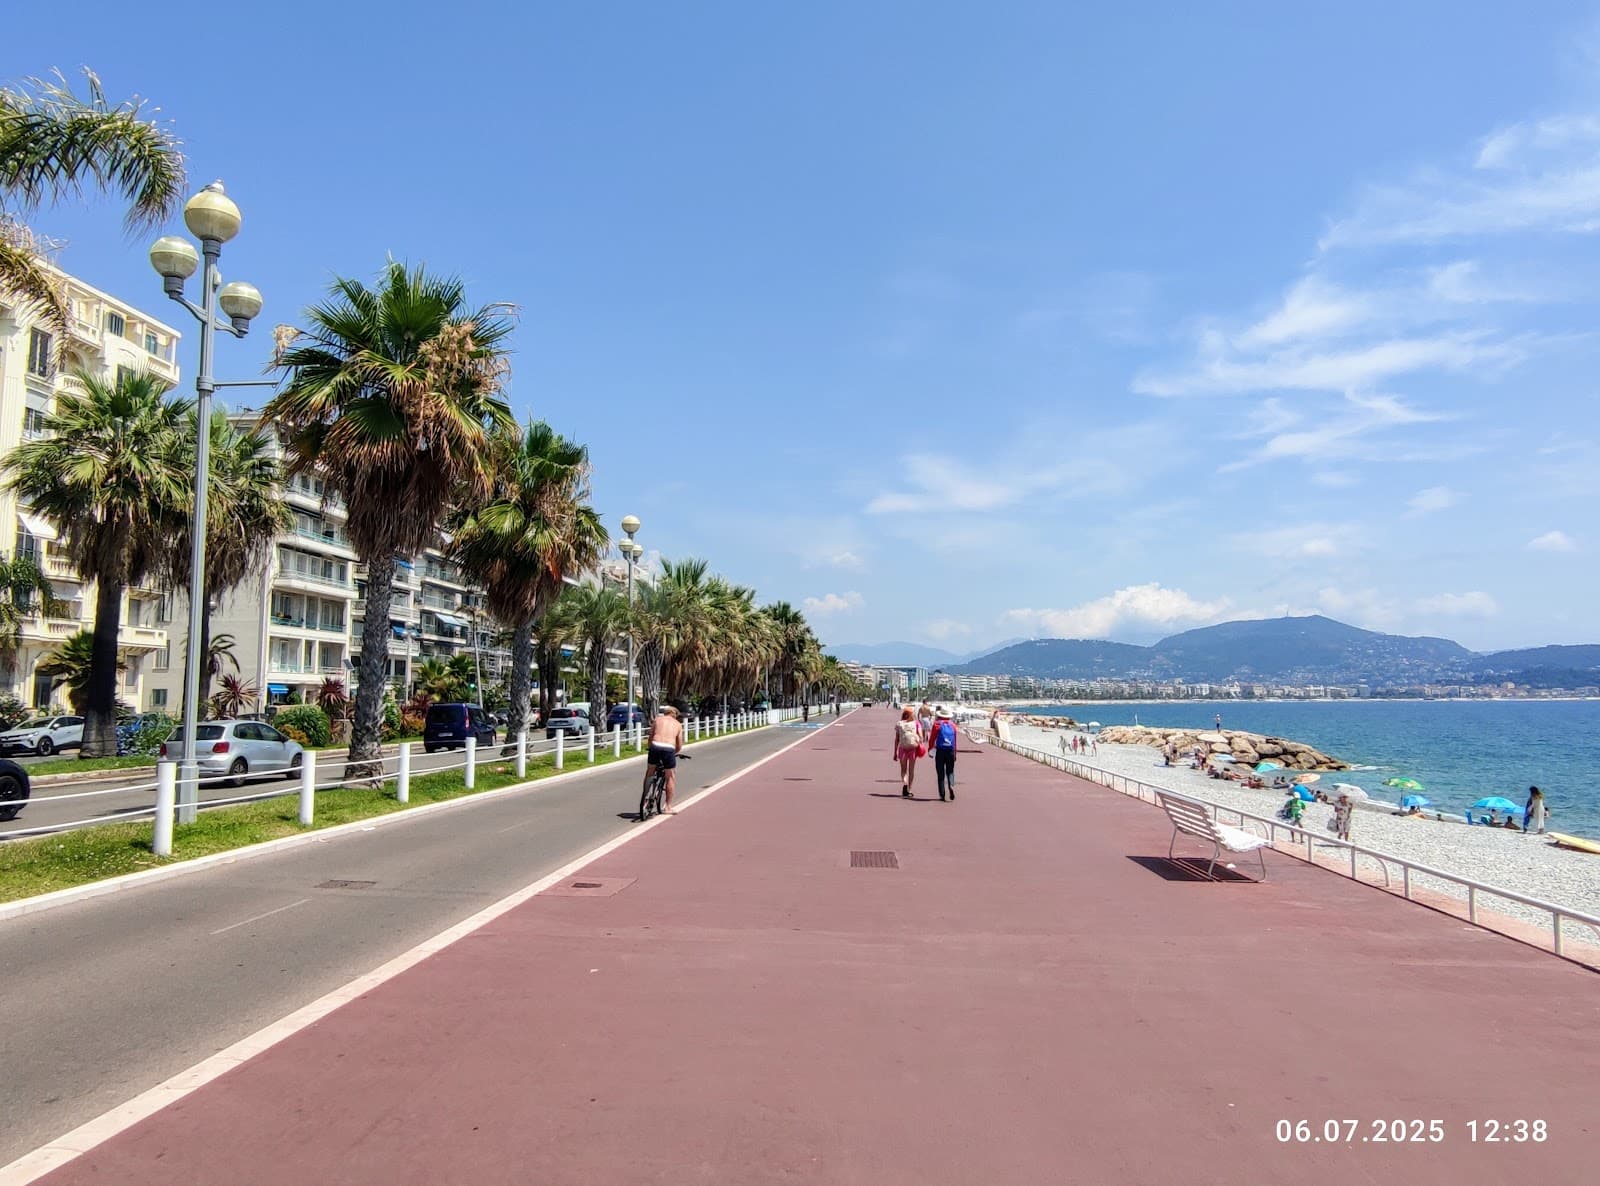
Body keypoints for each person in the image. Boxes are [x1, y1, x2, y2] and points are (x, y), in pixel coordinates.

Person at [644, 705, 685, 814]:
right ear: (675, 715)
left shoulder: (657, 720)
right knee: (670, 777)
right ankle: (667, 806)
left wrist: (650, 747)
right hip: (668, 749)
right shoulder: (677, 725)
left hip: (655, 746)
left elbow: (651, 736)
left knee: (650, 772)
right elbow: (679, 745)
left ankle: (645, 798)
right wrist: (674, 753)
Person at [930, 706, 958, 801]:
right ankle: (951, 786)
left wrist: (930, 749)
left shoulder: (937, 724)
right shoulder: (953, 725)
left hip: (940, 751)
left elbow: (932, 739)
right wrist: (954, 753)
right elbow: (954, 741)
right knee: (950, 771)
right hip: (950, 750)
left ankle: (942, 794)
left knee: (940, 772)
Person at [892, 707, 922, 798]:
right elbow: (921, 737)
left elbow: (896, 739)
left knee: (903, 770)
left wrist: (895, 752)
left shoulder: (899, 724)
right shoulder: (916, 724)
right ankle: (909, 789)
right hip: (912, 749)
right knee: (911, 770)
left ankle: (905, 783)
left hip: (902, 749)